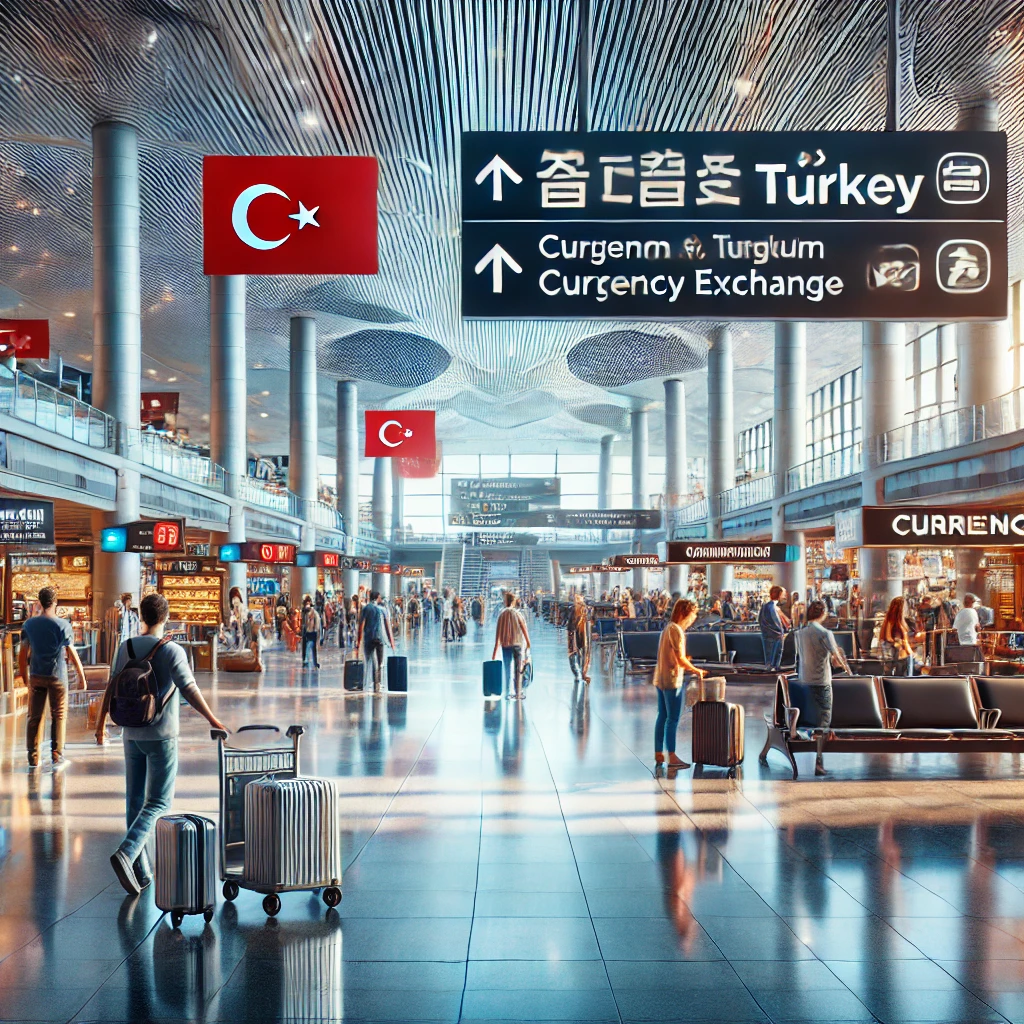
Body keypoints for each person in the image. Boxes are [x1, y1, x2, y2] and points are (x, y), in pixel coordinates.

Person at [96, 593, 227, 896]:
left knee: (134, 800)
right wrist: (213, 719)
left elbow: (111, 686)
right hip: (162, 735)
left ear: (141, 615)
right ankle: (128, 852)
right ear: (166, 617)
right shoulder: (171, 650)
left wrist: (101, 723)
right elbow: (189, 688)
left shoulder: (125, 647)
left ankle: (140, 873)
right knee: (158, 801)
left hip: (131, 733)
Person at [21, 586, 87, 769]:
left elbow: (23, 652)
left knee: (34, 716)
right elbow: (71, 652)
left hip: (36, 675)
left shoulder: (29, 625)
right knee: (58, 714)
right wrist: (81, 675)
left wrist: (25, 677)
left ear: (40, 603)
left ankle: (33, 757)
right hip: (57, 676)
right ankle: (57, 756)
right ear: (55, 602)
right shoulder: (63, 625)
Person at [793, 600, 851, 776]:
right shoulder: (826, 633)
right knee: (824, 722)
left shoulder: (799, 634)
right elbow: (836, 660)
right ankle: (819, 762)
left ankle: (808, 755)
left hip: (804, 682)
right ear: (823, 613)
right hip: (822, 682)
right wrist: (847, 669)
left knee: (808, 720)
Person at [652, 599, 704, 769]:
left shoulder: (667, 628)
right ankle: (672, 756)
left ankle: (659, 753)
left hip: (660, 678)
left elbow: (674, 656)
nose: (692, 620)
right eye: (691, 616)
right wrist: (697, 670)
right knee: (673, 718)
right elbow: (680, 659)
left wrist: (684, 661)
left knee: (662, 716)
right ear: (684, 613)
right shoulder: (677, 631)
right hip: (673, 680)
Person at [492, 591, 531, 700]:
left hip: (506, 645)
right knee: (518, 669)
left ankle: (507, 693)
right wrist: (528, 642)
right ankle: (518, 693)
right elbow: (524, 629)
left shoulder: (502, 615)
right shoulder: (518, 614)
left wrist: (495, 652)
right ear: (513, 602)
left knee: (507, 668)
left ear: (505, 602)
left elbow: (498, 634)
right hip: (518, 644)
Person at [357, 590, 395, 692]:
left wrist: (358, 640)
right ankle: (377, 684)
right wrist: (391, 642)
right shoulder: (383, 609)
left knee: (368, 660)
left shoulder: (366, 608)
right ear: (378, 598)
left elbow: (361, 625)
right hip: (380, 639)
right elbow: (387, 627)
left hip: (369, 638)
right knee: (379, 662)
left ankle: (365, 682)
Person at [881, 596, 917, 675]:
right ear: (901, 609)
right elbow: (901, 642)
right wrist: (911, 654)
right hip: (900, 659)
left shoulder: (888, 622)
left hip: (892, 660)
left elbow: (887, 639)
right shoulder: (898, 624)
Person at [758, 585, 791, 671]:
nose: (784, 597)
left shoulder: (766, 606)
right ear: (779, 594)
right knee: (775, 658)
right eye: (783, 594)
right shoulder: (773, 607)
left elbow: (760, 620)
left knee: (768, 658)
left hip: (766, 635)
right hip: (775, 636)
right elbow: (776, 622)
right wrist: (782, 633)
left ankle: (770, 670)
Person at [567, 593, 591, 684]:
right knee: (580, 655)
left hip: (579, 635)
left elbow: (570, 625)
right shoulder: (581, 610)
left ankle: (580, 673)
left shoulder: (583, 610)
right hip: (579, 635)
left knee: (576, 655)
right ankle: (581, 673)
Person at [300, 597, 321, 669]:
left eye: (308, 603)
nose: (307, 605)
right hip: (306, 632)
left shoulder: (314, 613)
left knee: (311, 647)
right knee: (306, 646)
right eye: (306, 603)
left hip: (312, 632)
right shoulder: (304, 613)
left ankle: (311, 662)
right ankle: (306, 661)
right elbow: (302, 622)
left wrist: (316, 629)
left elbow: (317, 621)